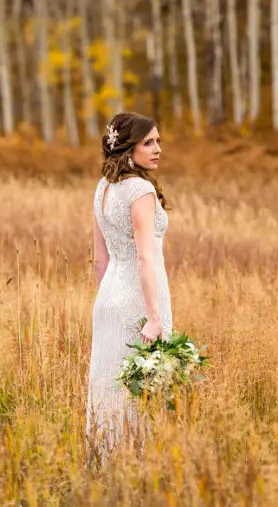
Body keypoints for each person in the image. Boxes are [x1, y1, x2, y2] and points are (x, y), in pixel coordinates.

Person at [86, 111, 172, 461]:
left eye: (158, 142)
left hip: (109, 295)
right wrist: (153, 318)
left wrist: (107, 297)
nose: (157, 149)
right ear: (127, 147)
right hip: (139, 298)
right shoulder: (139, 189)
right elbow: (145, 259)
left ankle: (106, 463)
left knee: (110, 385)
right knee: (141, 390)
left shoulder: (104, 187)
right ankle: (139, 465)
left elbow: (99, 259)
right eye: (148, 143)